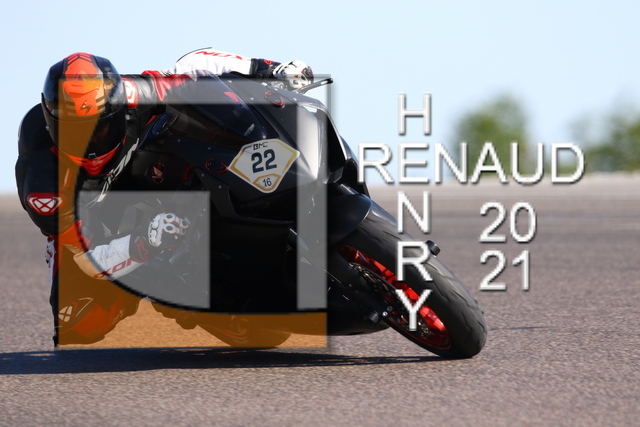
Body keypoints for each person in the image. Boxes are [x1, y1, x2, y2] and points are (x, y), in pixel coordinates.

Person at [16, 49, 314, 345]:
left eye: (100, 127)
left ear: (118, 107)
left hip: (149, 174)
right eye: (76, 131)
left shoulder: (132, 92)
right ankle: (180, 297)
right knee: (80, 325)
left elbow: (194, 71)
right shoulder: (43, 184)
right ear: (51, 121)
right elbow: (88, 256)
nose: (90, 142)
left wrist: (268, 69)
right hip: (95, 221)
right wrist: (143, 243)